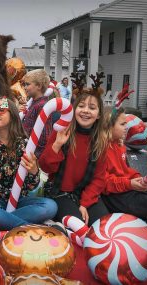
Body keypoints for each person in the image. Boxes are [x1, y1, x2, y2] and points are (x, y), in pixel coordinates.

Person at [0, 97, 58, 238]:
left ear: (12, 114)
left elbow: (31, 186)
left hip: (19, 201)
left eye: (1, 110)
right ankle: (30, 229)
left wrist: (34, 172)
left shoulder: (25, 145)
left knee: (50, 206)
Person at [39, 84, 110, 226]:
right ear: (74, 109)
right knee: (78, 226)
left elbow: (99, 179)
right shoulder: (62, 130)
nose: (85, 111)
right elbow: (45, 167)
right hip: (60, 192)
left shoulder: (100, 141)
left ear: (99, 114)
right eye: (81, 106)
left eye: (92, 107)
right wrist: (57, 145)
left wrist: (84, 203)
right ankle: (56, 225)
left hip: (87, 193)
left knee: (103, 226)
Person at [101, 106, 147, 224]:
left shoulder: (119, 145)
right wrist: (130, 184)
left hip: (126, 188)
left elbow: (126, 169)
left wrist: (137, 178)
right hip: (114, 196)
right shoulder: (100, 150)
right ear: (108, 126)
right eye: (122, 124)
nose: (127, 127)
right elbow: (104, 183)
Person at [22, 69, 60, 158]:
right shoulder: (34, 103)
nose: (24, 87)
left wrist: (37, 156)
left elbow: (44, 136)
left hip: (34, 154)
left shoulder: (41, 106)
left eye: (27, 84)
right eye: (24, 84)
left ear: (39, 86)